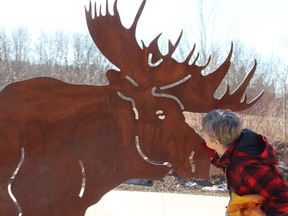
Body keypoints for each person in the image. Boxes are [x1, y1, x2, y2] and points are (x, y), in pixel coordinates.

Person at [200, 109, 288, 216]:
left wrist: (262, 214)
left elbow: (283, 196)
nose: (202, 135)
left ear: (217, 142)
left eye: (203, 133)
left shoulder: (248, 164)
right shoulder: (239, 145)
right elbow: (230, 164)